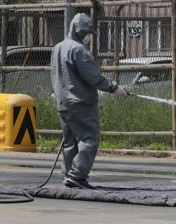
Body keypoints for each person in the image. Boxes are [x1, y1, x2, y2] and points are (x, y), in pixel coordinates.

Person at [50, 13, 128, 189]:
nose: (87, 37)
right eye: (86, 33)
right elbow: (93, 76)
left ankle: (69, 174)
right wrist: (114, 87)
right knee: (88, 138)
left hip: (63, 101)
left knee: (70, 140)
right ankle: (78, 175)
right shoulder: (79, 50)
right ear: (79, 32)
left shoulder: (58, 48)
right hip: (81, 101)